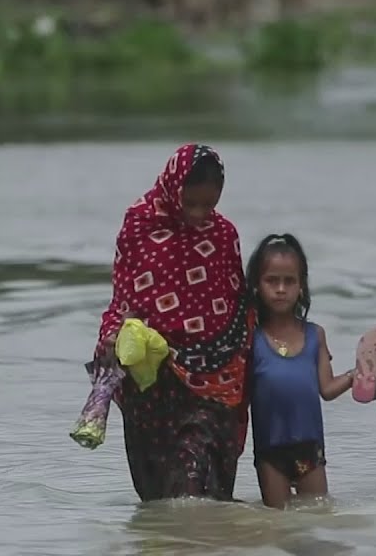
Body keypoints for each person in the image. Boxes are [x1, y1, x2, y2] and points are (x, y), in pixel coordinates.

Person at [93, 143, 253, 502]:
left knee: (194, 476)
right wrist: (112, 338)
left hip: (214, 380)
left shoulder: (224, 234)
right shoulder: (139, 223)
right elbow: (123, 297)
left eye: (208, 205)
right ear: (173, 188)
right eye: (191, 204)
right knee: (160, 493)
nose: (199, 214)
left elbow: (238, 304)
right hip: (155, 385)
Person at [245, 233, 376, 508]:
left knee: (318, 516)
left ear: (301, 286)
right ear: (257, 285)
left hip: (309, 449)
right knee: (276, 525)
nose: (281, 289)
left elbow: (326, 390)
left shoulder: (315, 335)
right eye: (272, 281)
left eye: (289, 281)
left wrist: (356, 376)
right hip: (270, 451)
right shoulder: (251, 339)